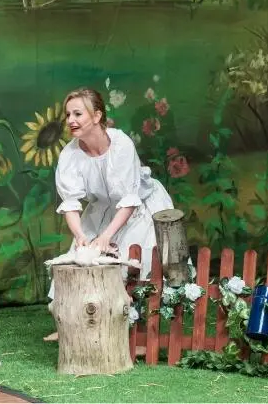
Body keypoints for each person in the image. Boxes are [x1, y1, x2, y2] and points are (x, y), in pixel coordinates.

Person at [43, 87, 175, 342]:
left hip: (139, 205)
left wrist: (106, 237)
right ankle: (70, 324)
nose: (70, 120)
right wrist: (80, 235)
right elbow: (70, 204)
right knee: (80, 256)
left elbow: (128, 200)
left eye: (78, 114)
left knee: (132, 256)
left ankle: (134, 327)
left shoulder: (121, 145)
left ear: (96, 116)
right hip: (102, 207)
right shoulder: (70, 155)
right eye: (68, 114)